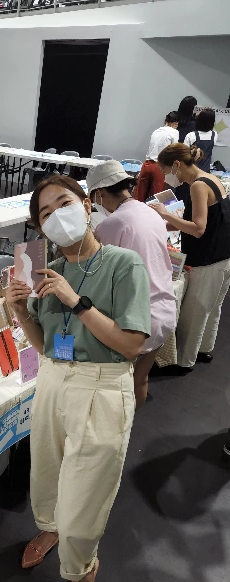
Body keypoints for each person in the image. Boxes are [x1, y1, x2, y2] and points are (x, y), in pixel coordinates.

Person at [5, 175, 151, 582]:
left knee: (85, 496)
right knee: (45, 475)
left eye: (64, 203)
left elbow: (131, 344)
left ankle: (83, 567)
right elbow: (46, 345)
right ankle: (50, 528)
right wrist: (20, 312)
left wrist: (78, 302)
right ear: (39, 228)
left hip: (102, 385)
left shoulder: (123, 263)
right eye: (45, 214)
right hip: (53, 379)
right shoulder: (48, 271)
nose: (56, 217)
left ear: (87, 205)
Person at [87, 160, 176, 407]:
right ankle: (129, 426)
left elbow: (98, 271)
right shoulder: (150, 211)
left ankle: (116, 426)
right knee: (139, 380)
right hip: (164, 311)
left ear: (100, 193)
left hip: (136, 320)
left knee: (114, 388)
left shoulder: (112, 224)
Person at [152, 143, 230, 373]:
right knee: (212, 307)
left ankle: (184, 361)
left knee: (195, 311)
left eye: (166, 171)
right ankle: (204, 349)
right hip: (222, 254)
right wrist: (160, 224)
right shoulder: (210, 178)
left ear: (176, 165)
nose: (168, 178)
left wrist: (165, 214)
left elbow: (198, 228)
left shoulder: (198, 185)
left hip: (207, 258)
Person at [134, 111, 179, 202]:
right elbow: (174, 150)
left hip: (146, 165)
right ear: (176, 122)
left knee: (139, 195)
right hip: (159, 166)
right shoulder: (174, 132)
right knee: (156, 197)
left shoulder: (157, 130)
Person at [184, 108, 217, 173]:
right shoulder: (214, 135)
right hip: (206, 171)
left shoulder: (191, 135)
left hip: (192, 171)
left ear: (199, 120)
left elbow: (184, 155)